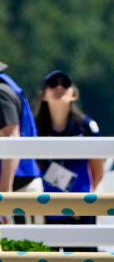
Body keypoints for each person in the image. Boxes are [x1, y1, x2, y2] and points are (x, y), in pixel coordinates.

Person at [34, 70, 103, 223]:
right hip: (45, 208)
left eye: (65, 84)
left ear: (74, 94)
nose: (59, 88)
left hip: (81, 208)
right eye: (53, 84)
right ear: (44, 95)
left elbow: (98, 170)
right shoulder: (35, 129)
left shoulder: (86, 126)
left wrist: (87, 201)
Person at [0, 60, 42, 199]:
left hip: (17, 188)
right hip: (21, 183)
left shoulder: (1, 94)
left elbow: (11, 138)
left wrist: (5, 191)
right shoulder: (6, 88)